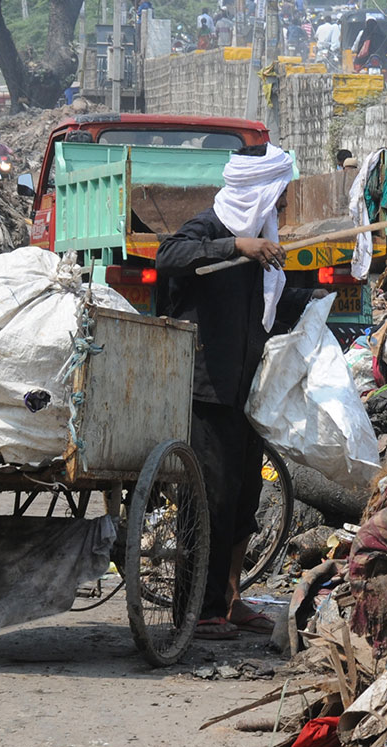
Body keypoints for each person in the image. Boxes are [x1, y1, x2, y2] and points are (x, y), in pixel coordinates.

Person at [155, 145, 322, 640]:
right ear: (260, 193)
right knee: (209, 499)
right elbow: (169, 257)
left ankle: (228, 599)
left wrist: (311, 300)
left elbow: (265, 307)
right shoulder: (210, 228)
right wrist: (236, 248)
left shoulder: (262, 240)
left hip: (246, 391)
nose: (285, 205)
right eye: (281, 195)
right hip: (207, 389)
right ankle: (199, 610)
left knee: (245, 496)